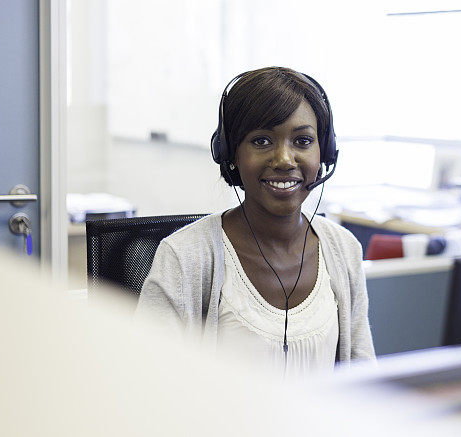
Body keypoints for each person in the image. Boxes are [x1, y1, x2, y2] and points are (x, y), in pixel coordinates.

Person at [136, 67, 375, 377]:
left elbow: (365, 380)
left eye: (302, 141)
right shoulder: (185, 257)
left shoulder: (343, 250)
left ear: (324, 152)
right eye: (261, 141)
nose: (285, 159)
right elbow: (147, 387)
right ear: (230, 153)